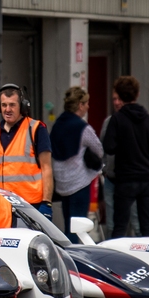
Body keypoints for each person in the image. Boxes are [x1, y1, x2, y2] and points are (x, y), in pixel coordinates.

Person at [103, 76, 149, 238]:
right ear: (137, 94)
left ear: (120, 96)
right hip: (146, 178)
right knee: (146, 224)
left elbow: (108, 147)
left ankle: (116, 262)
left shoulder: (117, 119)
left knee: (120, 226)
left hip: (125, 179)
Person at [0, 84, 54, 220]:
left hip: (30, 206)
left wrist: (47, 203)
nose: (7, 110)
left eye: (12, 105)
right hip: (0, 205)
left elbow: (47, 168)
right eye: (4, 105)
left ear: (22, 107)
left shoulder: (36, 129)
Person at [50, 87, 103, 243]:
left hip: (61, 184)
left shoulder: (57, 125)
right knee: (78, 229)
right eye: (86, 103)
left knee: (68, 226)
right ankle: (74, 263)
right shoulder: (82, 128)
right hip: (79, 184)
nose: (88, 106)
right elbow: (99, 150)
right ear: (80, 105)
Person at [100, 92, 141, 237]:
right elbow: (102, 147)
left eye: (120, 99)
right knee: (112, 224)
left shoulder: (138, 121)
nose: (116, 102)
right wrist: (105, 168)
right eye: (114, 99)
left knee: (137, 223)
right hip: (112, 179)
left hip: (132, 180)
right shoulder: (109, 122)